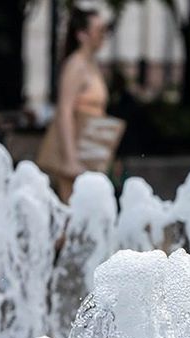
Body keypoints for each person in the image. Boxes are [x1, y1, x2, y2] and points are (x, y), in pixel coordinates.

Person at [37, 4, 119, 202]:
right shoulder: (75, 65)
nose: (103, 35)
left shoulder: (91, 64)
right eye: (99, 30)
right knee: (72, 214)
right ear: (82, 34)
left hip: (91, 151)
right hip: (76, 153)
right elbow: (64, 111)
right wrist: (70, 158)